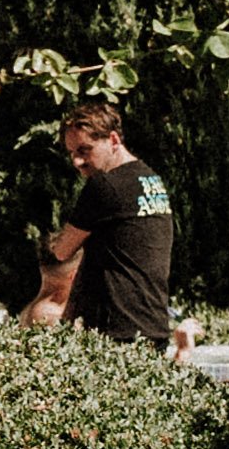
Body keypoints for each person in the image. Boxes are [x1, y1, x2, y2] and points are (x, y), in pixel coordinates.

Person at [26, 100, 178, 349]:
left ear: (114, 140)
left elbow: (62, 251)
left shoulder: (103, 186)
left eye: (85, 150)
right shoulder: (152, 180)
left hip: (115, 333)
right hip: (153, 325)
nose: (77, 161)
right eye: (72, 153)